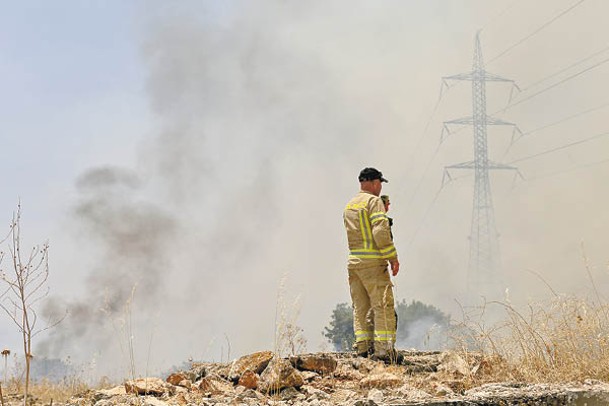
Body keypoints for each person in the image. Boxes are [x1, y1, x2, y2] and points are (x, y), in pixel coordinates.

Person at [343, 167, 400, 361]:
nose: (380, 188)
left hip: (354, 263)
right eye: (380, 184)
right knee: (382, 305)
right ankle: (384, 352)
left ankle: (363, 348)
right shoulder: (373, 202)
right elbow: (379, 233)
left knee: (360, 307)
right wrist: (392, 257)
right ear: (375, 183)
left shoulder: (350, 205)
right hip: (373, 263)